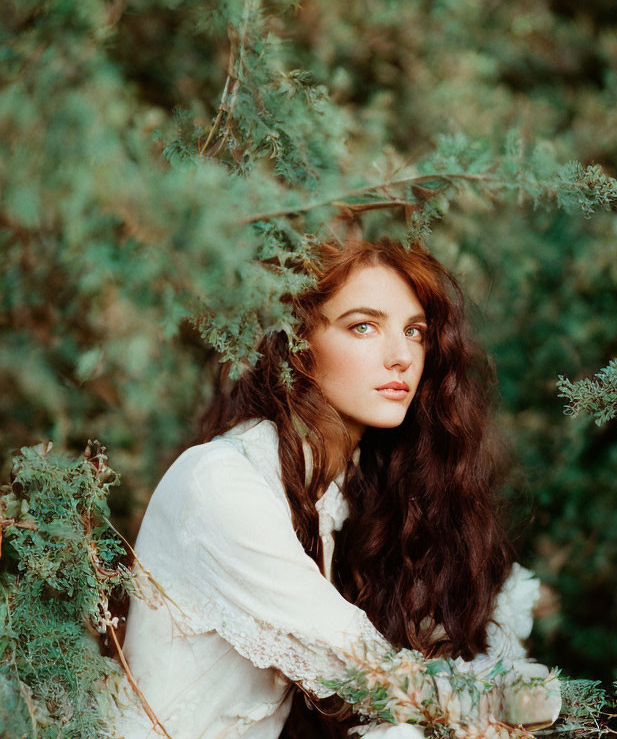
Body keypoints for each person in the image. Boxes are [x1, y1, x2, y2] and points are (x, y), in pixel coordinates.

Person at [108, 236, 561, 739]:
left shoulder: (334, 492)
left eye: (415, 332)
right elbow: (358, 667)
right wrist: (500, 703)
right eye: (363, 326)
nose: (401, 357)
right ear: (296, 344)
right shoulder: (220, 484)